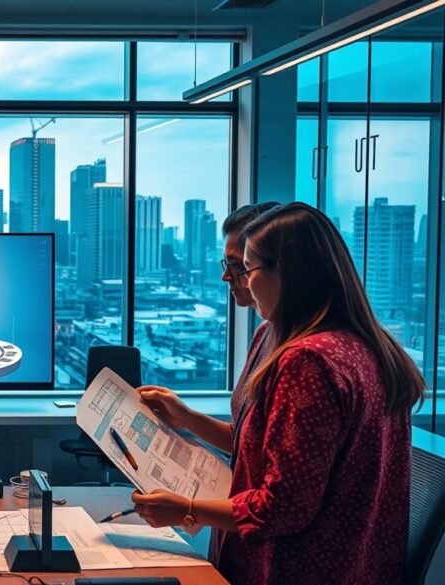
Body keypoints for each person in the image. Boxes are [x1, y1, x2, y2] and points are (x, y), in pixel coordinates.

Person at [132, 202, 422, 585]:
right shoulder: (359, 345)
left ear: (288, 274)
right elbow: (274, 452)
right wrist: (186, 418)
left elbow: (283, 508)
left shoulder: (308, 362)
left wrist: (185, 509)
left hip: (299, 568)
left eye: (247, 269)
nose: (240, 281)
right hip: (354, 566)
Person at [137, 202, 281, 457]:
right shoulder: (267, 333)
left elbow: (286, 495)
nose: (226, 277)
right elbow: (248, 444)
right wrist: (186, 416)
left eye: (240, 265)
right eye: (226, 263)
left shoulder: (306, 359)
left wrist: (187, 501)